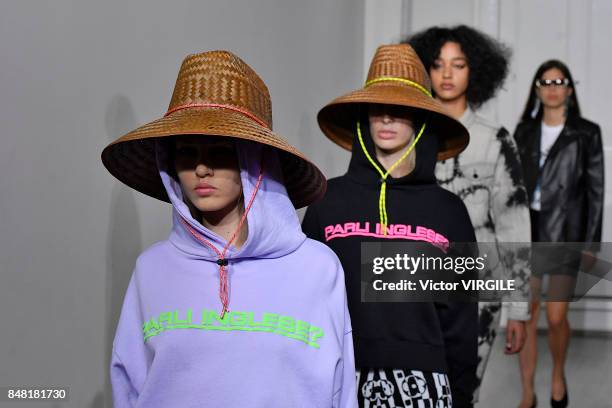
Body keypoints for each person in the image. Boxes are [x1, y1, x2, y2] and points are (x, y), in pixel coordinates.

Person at [102, 50, 358, 407]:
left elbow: (341, 388)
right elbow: (129, 383)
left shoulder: (317, 267)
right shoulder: (152, 269)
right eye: (186, 153)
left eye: (221, 152)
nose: (201, 168)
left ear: (254, 162)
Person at [303, 43, 478, 408]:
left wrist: (461, 397)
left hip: (426, 385)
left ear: (421, 119)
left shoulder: (449, 211)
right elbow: (306, 301)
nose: (386, 118)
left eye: (400, 109)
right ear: (363, 116)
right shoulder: (326, 201)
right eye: (377, 107)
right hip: (339, 377)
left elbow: (461, 320)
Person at [407, 25, 531, 403]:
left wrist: (519, 308)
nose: (447, 74)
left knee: (462, 391)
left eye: (458, 65)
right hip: (412, 283)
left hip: (478, 287)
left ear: (475, 71)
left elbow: (513, 224)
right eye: (438, 64)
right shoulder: (407, 134)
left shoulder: (495, 140)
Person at [514, 59, 604, 408]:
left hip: (566, 233)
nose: (552, 87)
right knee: (526, 313)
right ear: (537, 89)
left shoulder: (587, 133)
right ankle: (527, 392)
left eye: (559, 81)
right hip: (528, 229)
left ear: (569, 89)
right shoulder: (523, 131)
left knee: (555, 317)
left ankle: (557, 373)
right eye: (545, 81)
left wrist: (591, 243)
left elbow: (596, 191)